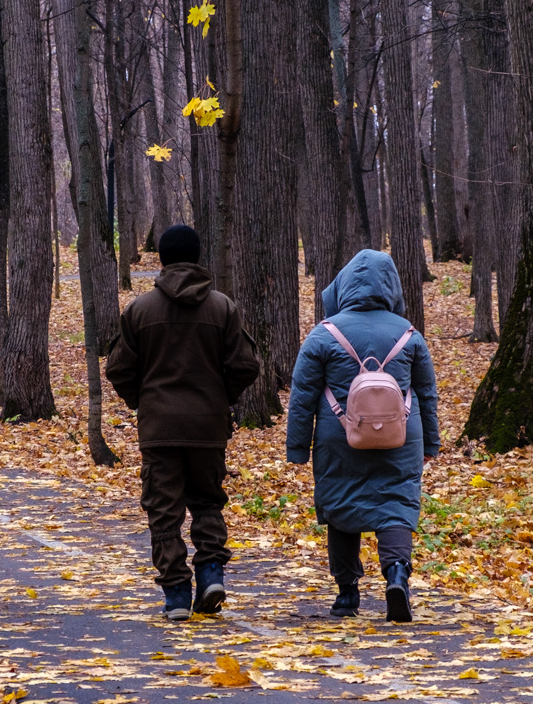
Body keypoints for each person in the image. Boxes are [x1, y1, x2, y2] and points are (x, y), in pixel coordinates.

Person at [106, 224, 260, 621]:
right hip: (208, 427)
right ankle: (211, 573)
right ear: (196, 255)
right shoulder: (222, 307)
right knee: (207, 501)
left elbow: (120, 369)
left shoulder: (140, 310)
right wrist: (221, 398)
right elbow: (244, 365)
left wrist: (143, 402)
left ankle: (176, 593)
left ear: (161, 257)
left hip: (159, 429)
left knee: (164, 511)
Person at [285, 250, 439, 621]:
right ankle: (397, 574)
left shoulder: (324, 334)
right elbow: (427, 393)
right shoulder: (409, 334)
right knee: (397, 505)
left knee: (341, 506)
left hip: (339, 436)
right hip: (401, 435)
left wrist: (297, 448)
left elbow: (302, 395)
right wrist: (431, 443)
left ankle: (347, 594)